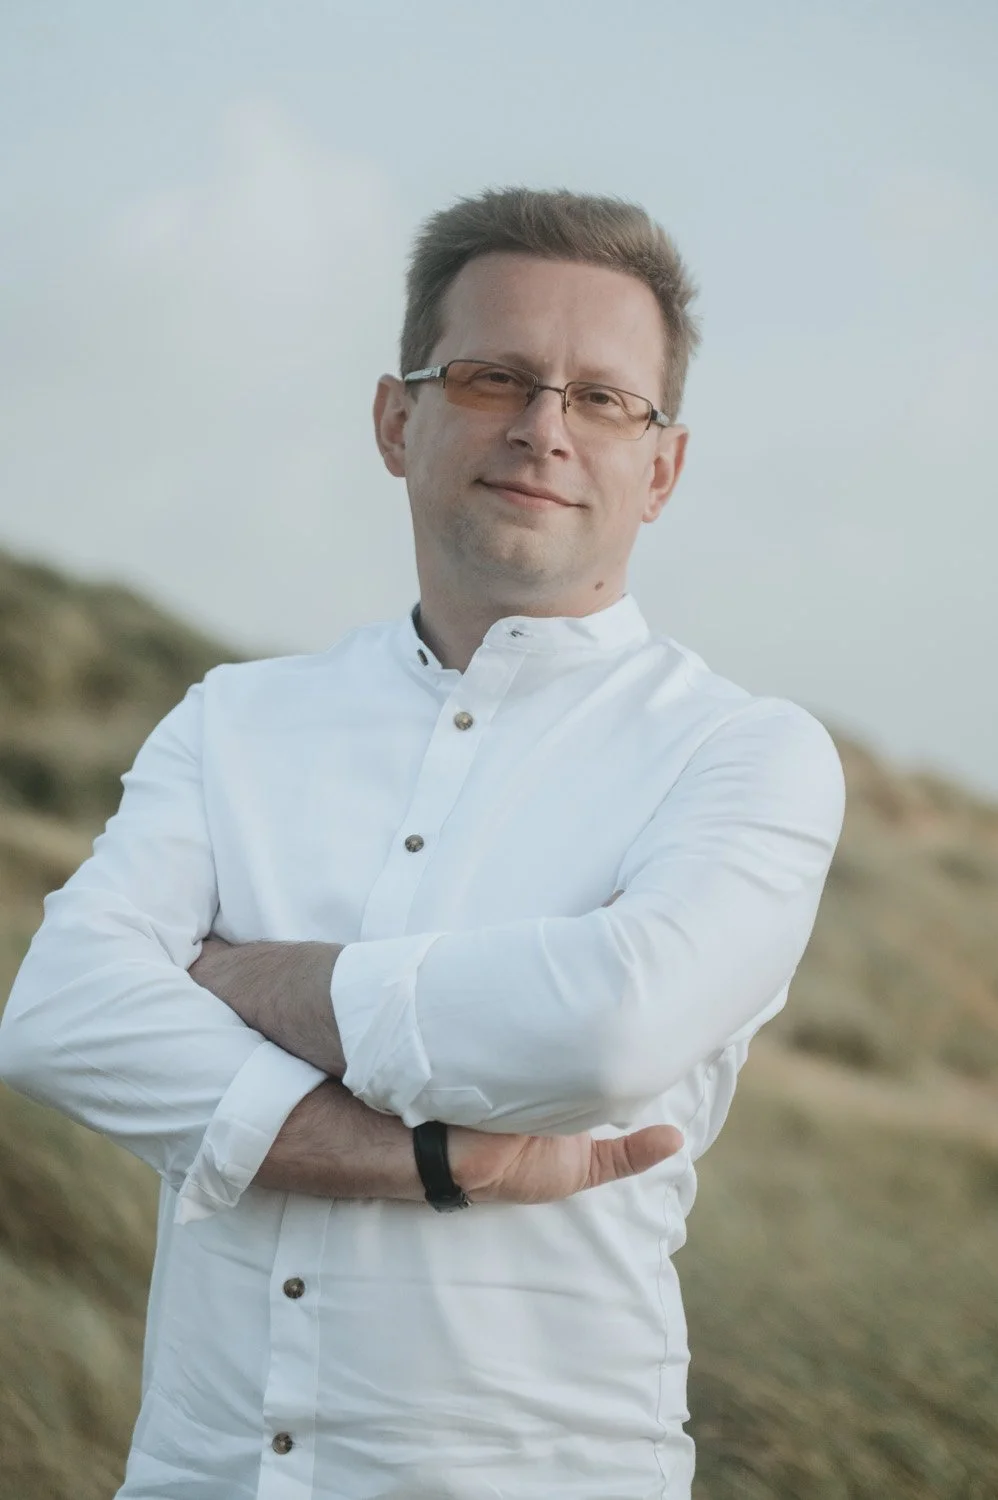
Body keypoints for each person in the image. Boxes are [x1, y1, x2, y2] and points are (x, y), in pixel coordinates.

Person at [0, 186, 846, 1500]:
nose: (541, 428)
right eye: (491, 374)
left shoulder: (742, 753)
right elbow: (55, 1018)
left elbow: (607, 1030)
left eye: (600, 398)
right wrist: (439, 1160)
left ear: (661, 467)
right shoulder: (235, 719)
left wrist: (251, 980)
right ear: (399, 419)